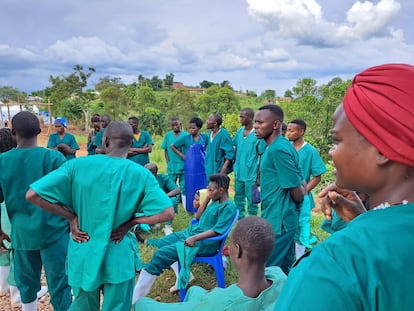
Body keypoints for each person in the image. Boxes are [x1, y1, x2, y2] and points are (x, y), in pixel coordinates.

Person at [275, 64, 414, 311]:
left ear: (382, 149)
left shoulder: (336, 263)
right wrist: (364, 220)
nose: (331, 151)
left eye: (337, 140)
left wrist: (364, 232)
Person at [26, 121, 175, 311]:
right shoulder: (141, 174)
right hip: (119, 252)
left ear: (105, 141)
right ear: (131, 145)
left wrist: (71, 218)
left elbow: (33, 195)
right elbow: (167, 212)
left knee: (83, 306)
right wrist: (132, 222)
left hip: (84, 249)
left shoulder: (77, 166)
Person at [135, 216, 287, 311]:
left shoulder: (222, 302)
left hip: (215, 303)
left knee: (142, 304)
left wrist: (139, 303)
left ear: (238, 251)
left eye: (230, 245)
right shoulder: (280, 277)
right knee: (194, 290)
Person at [0, 111, 71, 311]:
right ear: (40, 131)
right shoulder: (54, 158)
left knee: (26, 283)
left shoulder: (2, 161)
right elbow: (69, 195)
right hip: (54, 233)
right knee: (60, 283)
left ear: (13, 132)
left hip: (22, 235)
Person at [132, 173, 237, 304]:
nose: (208, 192)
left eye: (211, 190)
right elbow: (198, 217)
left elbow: (217, 231)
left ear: (221, 190)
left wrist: (194, 238)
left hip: (202, 243)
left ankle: (135, 298)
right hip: (191, 234)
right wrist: (206, 199)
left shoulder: (228, 207)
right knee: (164, 244)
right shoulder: (215, 201)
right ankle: (173, 275)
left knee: (161, 254)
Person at [254, 104, 306, 275]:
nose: (256, 126)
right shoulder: (277, 146)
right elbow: (299, 176)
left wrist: (299, 193)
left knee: (268, 272)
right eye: (255, 122)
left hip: (280, 221)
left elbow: (297, 192)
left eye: (260, 122)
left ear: (275, 125)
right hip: (277, 217)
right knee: (282, 271)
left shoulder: (278, 150)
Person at [287, 119, 327, 257]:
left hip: (302, 197)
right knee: (288, 224)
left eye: (292, 130)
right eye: (288, 130)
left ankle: (300, 256)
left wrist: (304, 191)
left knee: (302, 226)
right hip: (287, 194)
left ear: (301, 132)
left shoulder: (310, 151)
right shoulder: (287, 147)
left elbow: (317, 176)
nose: (288, 133)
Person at [171, 117, 209, 212]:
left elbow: (207, 149)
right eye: (189, 128)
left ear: (199, 128)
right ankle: (191, 207)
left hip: (202, 166)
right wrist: (182, 155)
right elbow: (173, 146)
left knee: (203, 185)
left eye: (193, 128)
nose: (190, 130)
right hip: (190, 167)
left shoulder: (205, 137)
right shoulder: (186, 138)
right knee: (190, 186)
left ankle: (203, 206)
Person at [233, 108, 260, 218]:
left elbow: (262, 156)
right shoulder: (239, 132)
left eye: (242, 117)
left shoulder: (257, 134)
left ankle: (253, 221)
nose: (240, 119)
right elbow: (235, 149)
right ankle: (240, 220)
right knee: (238, 198)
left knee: (252, 199)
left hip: (251, 174)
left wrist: (258, 177)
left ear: (250, 118)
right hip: (239, 172)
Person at [144, 163, 181, 235]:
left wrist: (163, 197)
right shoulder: (142, 180)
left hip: (163, 202)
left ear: (154, 173)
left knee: (173, 200)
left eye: (147, 172)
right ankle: (154, 222)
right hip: (148, 203)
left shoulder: (163, 178)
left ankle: (167, 226)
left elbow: (177, 190)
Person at [161, 118, 188, 195]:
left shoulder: (186, 135)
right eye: (173, 125)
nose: (175, 127)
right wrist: (168, 162)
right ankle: (173, 198)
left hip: (182, 164)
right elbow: (165, 150)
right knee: (170, 183)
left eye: (177, 125)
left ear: (180, 125)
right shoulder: (168, 135)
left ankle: (182, 199)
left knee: (183, 184)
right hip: (172, 164)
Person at [205, 113, 234, 179]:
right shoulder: (210, 134)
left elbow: (230, 154)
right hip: (209, 167)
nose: (207, 121)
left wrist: (224, 168)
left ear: (215, 123)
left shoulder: (223, 134)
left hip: (219, 168)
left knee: (218, 187)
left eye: (209, 120)